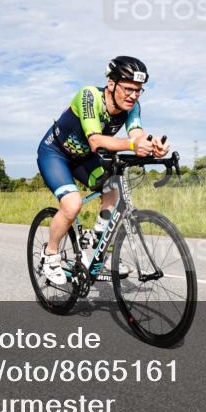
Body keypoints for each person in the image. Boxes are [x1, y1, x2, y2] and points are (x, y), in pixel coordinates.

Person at [36, 56, 169, 284]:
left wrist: (152, 143)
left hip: (84, 159)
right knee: (72, 205)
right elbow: (96, 141)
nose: (133, 96)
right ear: (111, 84)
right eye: (128, 89)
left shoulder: (132, 107)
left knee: (113, 191)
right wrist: (131, 145)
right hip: (55, 154)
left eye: (139, 90)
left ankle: (98, 247)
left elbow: (136, 133)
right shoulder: (90, 96)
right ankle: (50, 254)